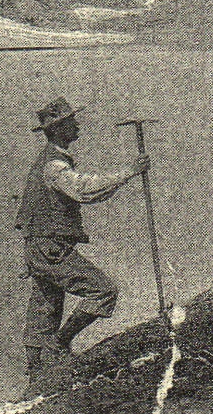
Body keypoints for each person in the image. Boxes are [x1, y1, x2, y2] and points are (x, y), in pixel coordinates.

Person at [15, 97, 148, 392]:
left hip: (40, 246)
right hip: (51, 247)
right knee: (103, 290)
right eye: (72, 121)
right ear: (60, 129)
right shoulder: (54, 166)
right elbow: (84, 190)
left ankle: (37, 379)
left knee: (44, 307)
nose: (77, 125)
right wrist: (129, 172)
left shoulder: (49, 162)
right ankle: (59, 347)